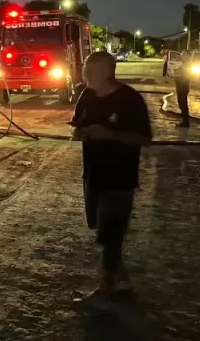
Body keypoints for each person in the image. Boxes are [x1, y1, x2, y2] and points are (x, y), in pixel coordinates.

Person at [70, 52, 153, 300]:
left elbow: (144, 138)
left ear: (106, 72)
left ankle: (105, 291)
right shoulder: (87, 95)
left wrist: (110, 134)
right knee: (101, 228)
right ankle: (122, 281)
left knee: (110, 235)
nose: (84, 75)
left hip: (120, 178)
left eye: (89, 70)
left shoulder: (130, 99)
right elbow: (76, 127)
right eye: (85, 70)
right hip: (92, 174)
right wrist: (81, 133)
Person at [164, 50, 192, 127]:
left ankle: (185, 122)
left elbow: (183, 74)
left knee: (183, 103)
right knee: (181, 103)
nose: (181, 56)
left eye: (183, 54)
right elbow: (179, 72)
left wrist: (174, 75)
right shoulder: (185, 63)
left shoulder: (187, 64)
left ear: (187, 56)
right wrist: (173, 74)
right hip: (181, 86)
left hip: (183, 86)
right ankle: (184, 121)